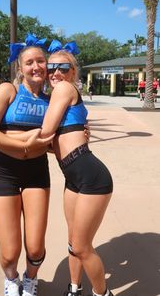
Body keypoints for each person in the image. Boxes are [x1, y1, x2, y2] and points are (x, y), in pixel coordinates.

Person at [0, 34, 55, 296]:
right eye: (30, 62)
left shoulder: (52, 100)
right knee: (10, 254)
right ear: (20, 68)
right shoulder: (7, 91)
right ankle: (11, 279)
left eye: (40, 61)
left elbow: (54, 141)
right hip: (5, 173)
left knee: (34, 248)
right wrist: (26, 140)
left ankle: (30, 280)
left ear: (47, 65)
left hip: (36, 173)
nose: (36, 67)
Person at [40, 40, 114, 296]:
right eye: (51, 68)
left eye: (63, 67)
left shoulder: (63, 90)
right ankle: (74, 288)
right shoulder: (56, 97)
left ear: (73, 72)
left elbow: (47, 132)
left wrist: (8, 135)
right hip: (73, 178)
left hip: (93, 178)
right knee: (73, 243)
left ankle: (102, 293)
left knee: (82, 246)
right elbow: (54, 142)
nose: (56, 73)